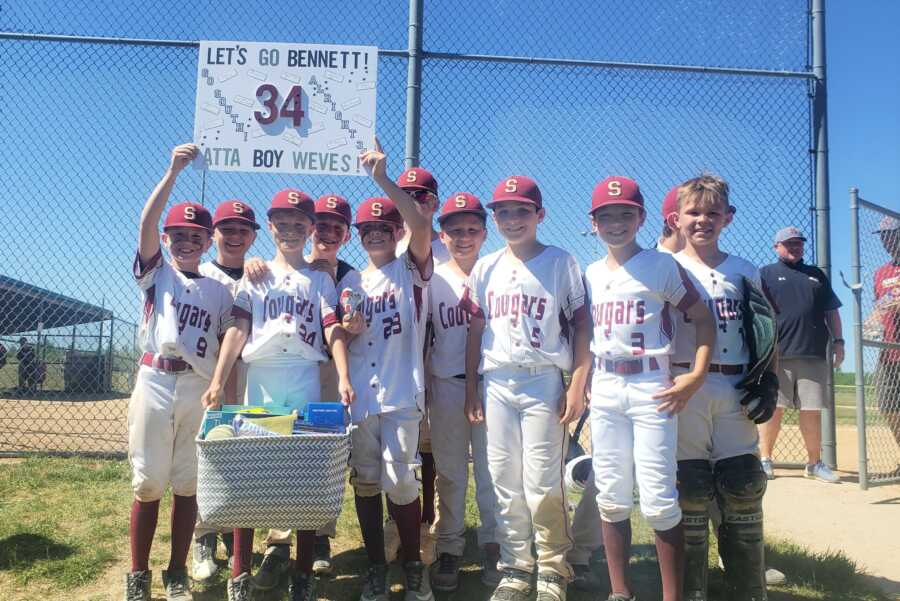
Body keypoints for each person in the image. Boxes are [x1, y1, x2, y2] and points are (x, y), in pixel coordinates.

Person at [200, 188, 354, 601]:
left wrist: (342, 375)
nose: (290, 230)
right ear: (269, 227)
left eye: (298, 224)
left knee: (304, 477)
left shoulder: (320, 278)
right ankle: (239, 574)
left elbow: (331, 329)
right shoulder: (255, 274)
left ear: (310, 229)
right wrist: (218, 378)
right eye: (282, 223)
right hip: (262, 377)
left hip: (303, 374)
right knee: (250, 473)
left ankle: (301, 575)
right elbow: (238, 330)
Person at [585, 176, 715, 601]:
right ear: (594, 222)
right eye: (607, 215)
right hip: (605, 384)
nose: (616, 222)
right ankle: (620, 592)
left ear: (641, 217)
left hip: (649, 383)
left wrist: (695, 374)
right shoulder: (590, 272)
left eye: (625, 214)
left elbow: (703, 317)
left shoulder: (660, 264)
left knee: (659, 498)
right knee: (611, 493)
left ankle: (671, 597)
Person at [462, 175, 591, 601]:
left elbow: (581, 324)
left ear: (540, 214)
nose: (512, 219)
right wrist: (471, 389)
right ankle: (516, 565)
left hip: (542, 378)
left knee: (541, 479)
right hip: (497, 379)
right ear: (494, 217)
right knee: (503, 477)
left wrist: (577, 384)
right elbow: (476, 328)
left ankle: (553, 564)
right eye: (503, 211)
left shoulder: (560, 261)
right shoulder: (486, 266)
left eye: (521, 210)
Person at [125, 143, 235, 601]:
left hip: (196, 386)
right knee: (149, 480)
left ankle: (175, 571)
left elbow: (232, 335)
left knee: (188, 482)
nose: (186, 241)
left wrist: (218, 384)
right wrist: (171, 172)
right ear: (168, 241)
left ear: (208, 242)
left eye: (196, 236)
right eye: (179, 235)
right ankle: (137, 574)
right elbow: (147, 223)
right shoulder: (158, 275)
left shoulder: (222, 288)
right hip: (154, 380)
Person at [245, 193, 362, 586]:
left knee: (317, 460)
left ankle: (318, 541)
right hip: (290, 366)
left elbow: (343, 326)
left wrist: (353, 328)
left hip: (326, 369)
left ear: (346, 233)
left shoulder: (346, 274)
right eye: (323, 224)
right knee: (276, 456)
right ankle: (277, 544)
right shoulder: (275, 270)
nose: (328, 231)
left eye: (336, 226)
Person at [671, 174, 779, 601]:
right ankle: (691, 589)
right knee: (691, 489)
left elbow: (767, 330)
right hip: (684, 384)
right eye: (693, 212)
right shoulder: (667, 268)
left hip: (734, 382)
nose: (703, 220)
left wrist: (768, 377)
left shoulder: (744, 270)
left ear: (728, 218)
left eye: (713, 213)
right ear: (676, 218)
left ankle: (747, 588)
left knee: (744, 483)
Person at [349, 138, 436, 601]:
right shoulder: (351, 280)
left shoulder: (410, 268)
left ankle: (412, 564)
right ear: (358, 236)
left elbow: (422, 226)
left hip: (402, 392)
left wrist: (382, 178)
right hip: (362, 395)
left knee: (401, 479)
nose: (375, 233)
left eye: (384, 226)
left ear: (396, 231)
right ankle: (376, 568)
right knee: (366, 477)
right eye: (367, 228)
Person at [424, 192, 500, 592]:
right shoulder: (433, 277)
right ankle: (450, 546)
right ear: (442, 233)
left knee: (492, 472)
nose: (464, 237)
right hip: (447, 384)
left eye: (472, 229)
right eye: (455, 230)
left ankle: (493, 544)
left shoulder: (499, 270)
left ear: (485, 233)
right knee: (450, 472)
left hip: (493, 384)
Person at [191, 199, 259, 583]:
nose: (234, 237)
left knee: (243, 461)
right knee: (207, 459)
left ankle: (237, 538)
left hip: (248, 377)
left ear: (252, 236)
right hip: (206, 378)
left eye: (242, 230)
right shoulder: (199, 274)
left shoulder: (258, 273)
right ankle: (204, 536)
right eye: (227, 229)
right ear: (212, 234)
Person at [758, 226, 843, 483]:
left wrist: (839, 342)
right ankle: (765, 460)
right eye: (789, 243)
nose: (795, 247)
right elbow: (756, 312)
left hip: (813, 352)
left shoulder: (816, 275)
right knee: (773, 409)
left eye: (798, 243)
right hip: (776, 353)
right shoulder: (765, 274)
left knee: (812, 410)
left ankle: (814, 463)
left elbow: (832, 312)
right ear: (777, 247)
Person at [867, 216, 900, 475]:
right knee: (887, 406)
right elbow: (879, 307)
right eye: (882, 236)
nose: (886, 240)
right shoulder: (881, 272)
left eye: (891, 234)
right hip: (888, 351)